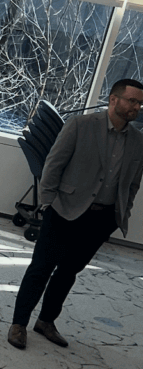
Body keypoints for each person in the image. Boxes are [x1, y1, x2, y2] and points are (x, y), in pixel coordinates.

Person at [8, 78, 143, 350]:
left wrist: (121, 214)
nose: (137, 107)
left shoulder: (139, 141)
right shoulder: (81, 126)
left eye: (140, 103)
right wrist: (47, 203)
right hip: (64, 210)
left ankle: (46, 321)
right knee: (41, 268)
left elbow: (133, 182)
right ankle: (19, 323)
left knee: (69, 271)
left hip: (102, 219)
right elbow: (53, 165)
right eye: (132, 100)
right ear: (114, 100)